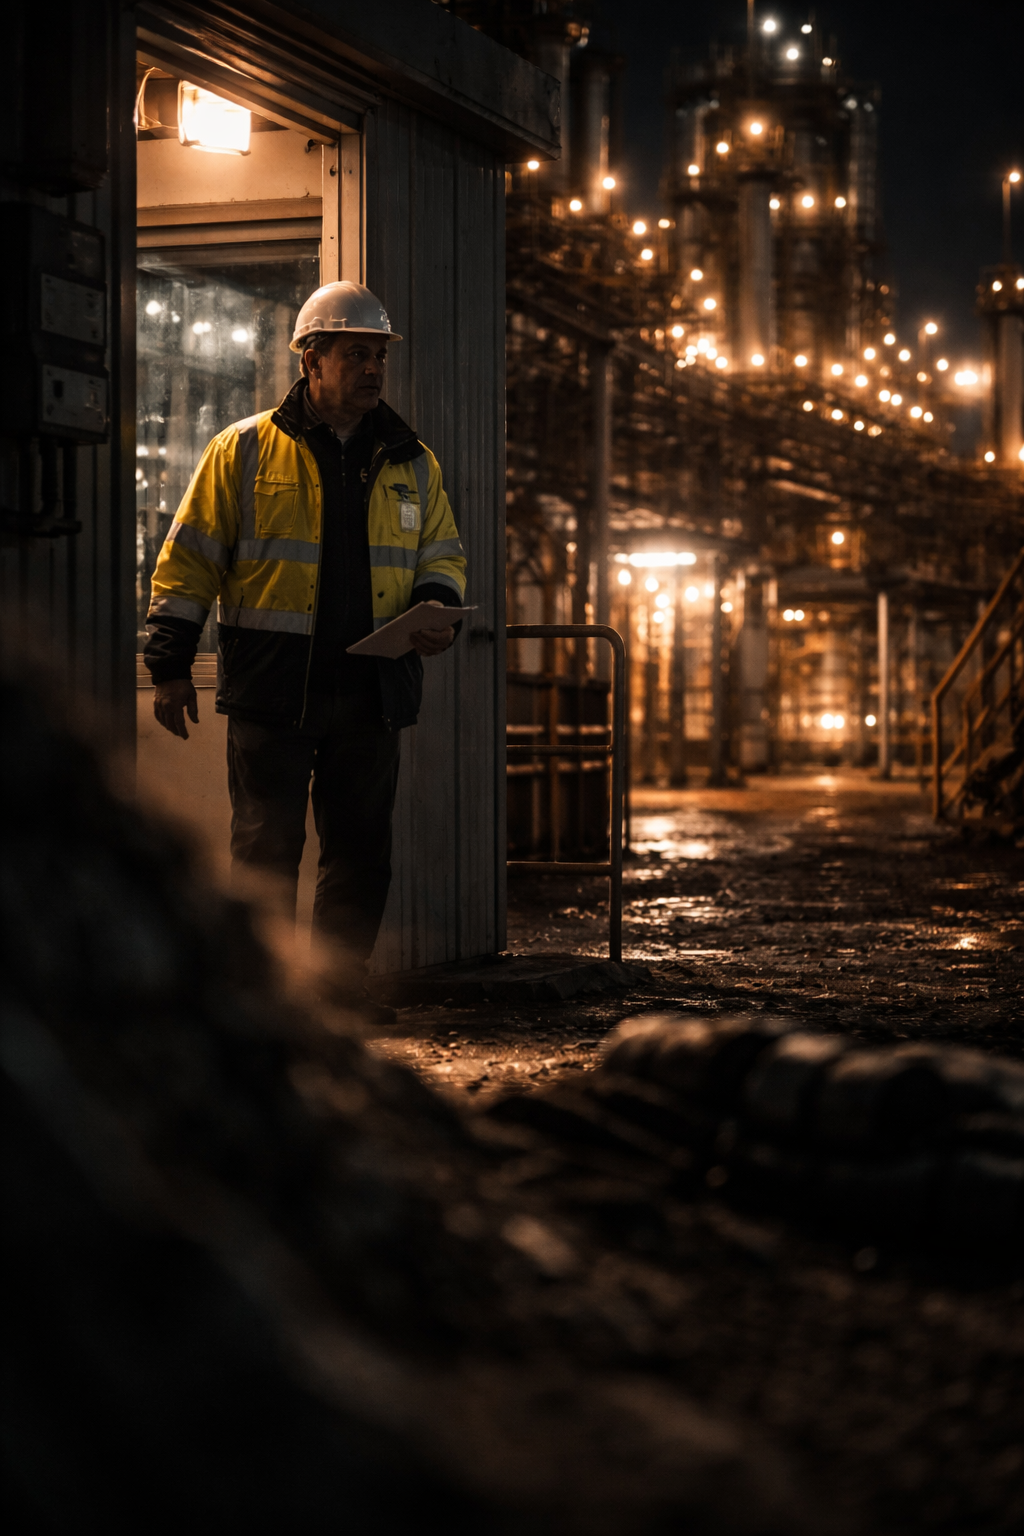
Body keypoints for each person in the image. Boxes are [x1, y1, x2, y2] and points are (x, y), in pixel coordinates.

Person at [143, 281, 466, 1020]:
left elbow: (441, 556)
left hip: (373, 689)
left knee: (359, 853)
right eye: (357, 354)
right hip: (275, 689)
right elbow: (190, 558)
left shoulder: (413, 461)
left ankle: (335, 992)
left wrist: (441, 609)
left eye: (379, 355)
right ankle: (259, 994)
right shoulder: (244, 449)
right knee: (265, 848)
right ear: (311, 359)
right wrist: (167, 664)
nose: (373, 370)